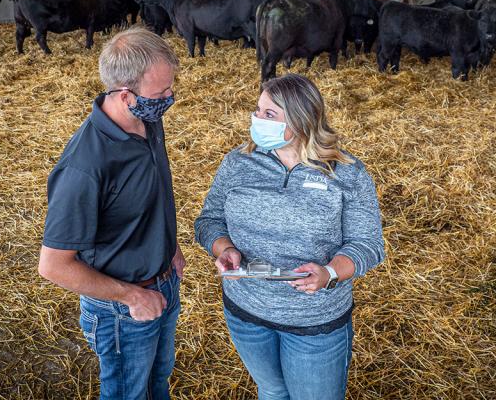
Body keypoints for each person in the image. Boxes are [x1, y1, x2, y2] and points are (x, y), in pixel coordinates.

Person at [194, 73, 385, 400]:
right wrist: (223, 248)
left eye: (269, 114)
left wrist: (330, 272)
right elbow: (209, 220)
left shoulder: (346, 172)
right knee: (271, 391)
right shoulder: (239, 162)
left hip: (313, 322)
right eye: (257, 110)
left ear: (300, 120)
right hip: (246, 312)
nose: (256, 119)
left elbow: (368, 245)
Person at [37, 26, 184, 400]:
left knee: (157, 382)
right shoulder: (84, 166)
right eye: (160, 92)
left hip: (163, 280)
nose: (169, 98)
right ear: (124, 94)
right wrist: (131, 297)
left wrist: (169, 246)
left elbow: (153, 193)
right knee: (127, 394)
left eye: (170, 88)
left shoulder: (147, 118)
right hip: (122, 308)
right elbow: (54, 266)